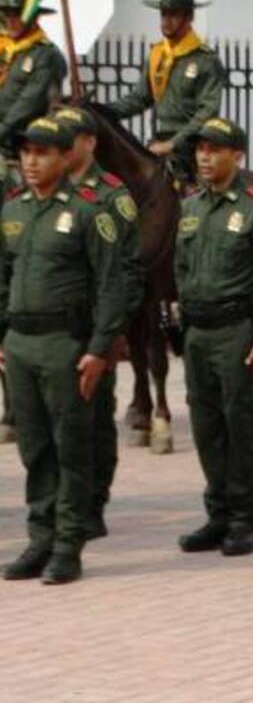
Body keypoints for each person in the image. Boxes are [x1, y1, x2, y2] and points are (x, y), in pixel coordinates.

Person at [0, 116, 122, 584]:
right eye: (25, 153)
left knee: (70, 447)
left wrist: (99, 348)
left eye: (42, 153)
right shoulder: (13, 211)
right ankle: (40, 539)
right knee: (34, 448)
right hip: (21, 345)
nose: (31, 162)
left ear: (64, 157)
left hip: (65, 345)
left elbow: (111, 287)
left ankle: (68, 546)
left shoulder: (90, 212)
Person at [173, 117, 253, 557]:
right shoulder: (191, 207)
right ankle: (218, 514)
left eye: (215, 150)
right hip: (198, 332)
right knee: (206, 427)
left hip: (238, 333)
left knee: (240, 426)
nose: (204, 157)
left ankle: (245, 519)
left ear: (237, 156)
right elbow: (181, 268)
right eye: (200, 149)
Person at [52, 106, 145, 541]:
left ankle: (92, 502)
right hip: (52, 326)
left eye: (68, 139)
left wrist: (114, 328)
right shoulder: (44, 192)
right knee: (52, 419)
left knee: (94, 420)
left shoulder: (112, 195)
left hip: (94, 326)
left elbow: (130, 267)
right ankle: (59, 501)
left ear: (89, 143)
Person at [106, 0, 226, 182]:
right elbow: (139, 98)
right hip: (158, 144)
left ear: (189, 17)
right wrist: (102, 111)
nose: (166, 21)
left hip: (193, 150)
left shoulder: (206, 60)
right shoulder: (157, 54)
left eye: (174, 15)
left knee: (198, 196)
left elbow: (207, 113)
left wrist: (173, 143)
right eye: (163, 14)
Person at [0, 0, 67, 151]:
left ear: (34, 18)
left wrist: (2, 131)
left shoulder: (47, 55)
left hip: (22, 142)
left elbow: (29, 103)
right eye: (7, 15)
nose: (10, 21)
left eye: (18, 15)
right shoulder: (6, 49)